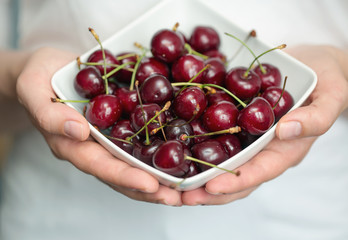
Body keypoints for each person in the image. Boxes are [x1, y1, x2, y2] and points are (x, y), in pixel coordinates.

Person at [1, 0, 347, 239]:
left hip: (302, 218)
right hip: (60, 217)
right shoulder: (145, 102)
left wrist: (337, 69)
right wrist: (17, 77)